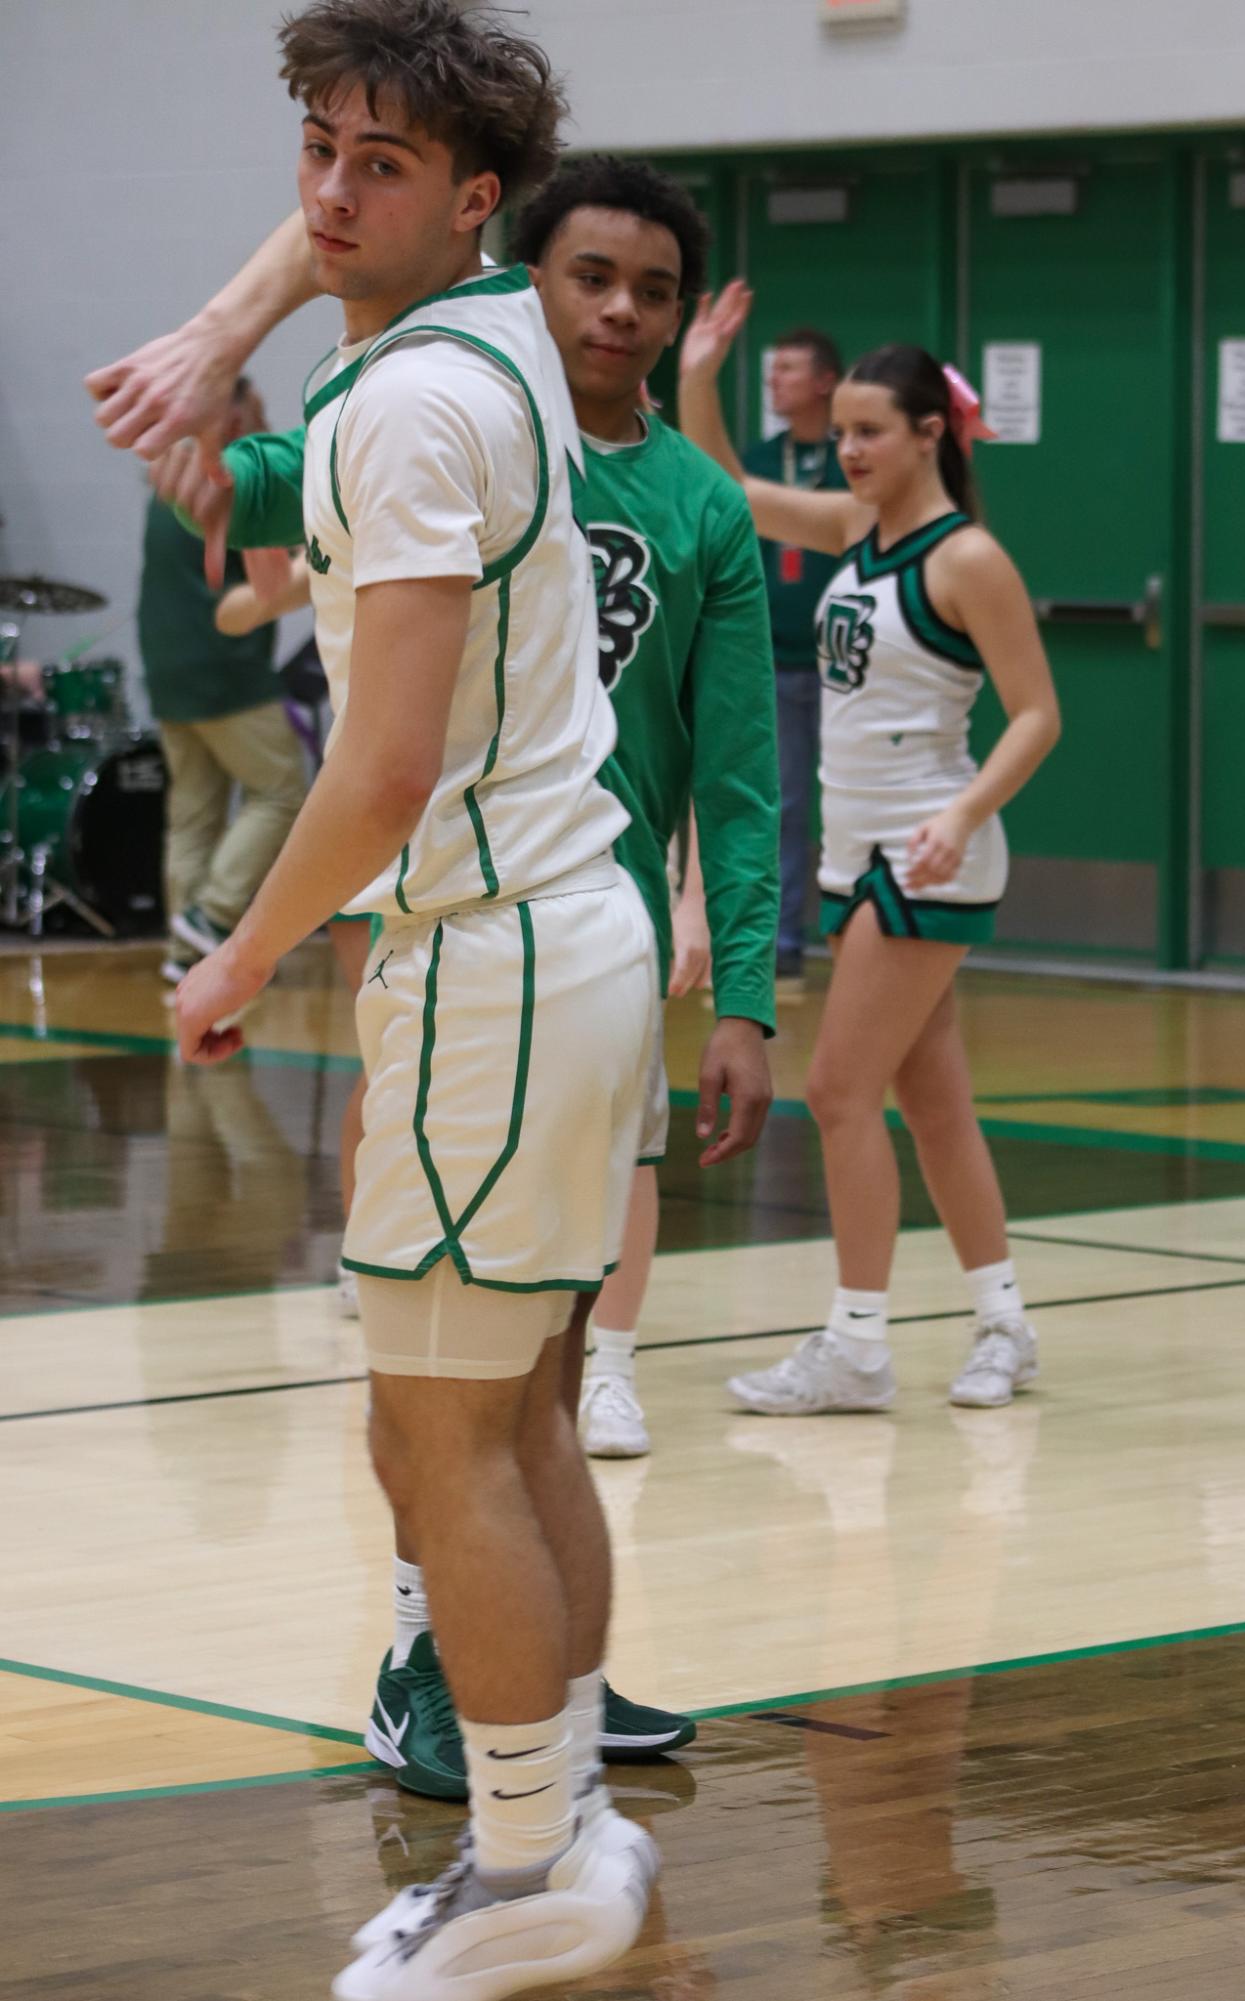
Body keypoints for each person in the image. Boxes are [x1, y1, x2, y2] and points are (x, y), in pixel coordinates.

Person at [92, 158, 781, 1793]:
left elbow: (739, 776)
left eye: (653, 288)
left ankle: (531, 1742)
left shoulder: (686, 503)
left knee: (510, 1379)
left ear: (681, 323)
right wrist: (204, 406)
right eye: (589, 274)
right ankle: (436, 1655)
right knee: (455, 1382)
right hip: (458, 943)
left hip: (566, 952)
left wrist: (743, 987)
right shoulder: (459, 410)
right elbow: (260, 479)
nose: (616, 307)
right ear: (519, 279)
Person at [121, 6, 667, 1995]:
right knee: (500, 1419)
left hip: (493, 954)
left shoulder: (407, 407)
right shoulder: (490, 337)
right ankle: (571, 1821)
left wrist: (241, 958)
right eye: (313, 154)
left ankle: (524, 1868)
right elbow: (348, 243)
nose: (330, 196)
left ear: (476, 203)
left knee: (445, 1437)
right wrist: (230, 322)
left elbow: (382, 764)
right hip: (558, 934)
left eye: (380, 164)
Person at [680, 281, 1062, 1415]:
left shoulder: (965, 561)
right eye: (837, 430)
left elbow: (1037, 713)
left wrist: (957, 816)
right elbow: (728, 492)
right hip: (852, 858)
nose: (843, 449)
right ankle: (1002, 1323)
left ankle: (855, 1343)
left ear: (927, 435)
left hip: (924, 854)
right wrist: (696, 372)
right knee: (933, 1103)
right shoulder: (856, 531)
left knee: (838, 1092)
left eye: (864, 432)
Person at [136, 377, 308, 985]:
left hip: (166, 670)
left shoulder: (170, 480)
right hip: (222, 669)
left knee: (193, 813)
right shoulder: (225, 480)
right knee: (284, 790)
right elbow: (294, 562)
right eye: (256, 408)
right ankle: (212, 919)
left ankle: (184, 956)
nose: (264, 419)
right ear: (230, 416)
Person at [742, 329, 847, 985]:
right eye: (771, 368)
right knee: (780, 803)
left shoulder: (852, 463)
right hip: (774, 661)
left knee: (847, 803)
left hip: (843, 667)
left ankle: (855, 931)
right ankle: (782, 940)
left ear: (824, 382)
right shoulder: (756, 460)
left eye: (788, 369)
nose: (774, 380)